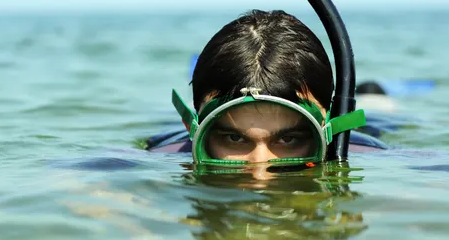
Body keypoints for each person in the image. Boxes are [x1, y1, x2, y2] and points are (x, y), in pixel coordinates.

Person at [146, 9, 387, 167]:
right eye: (234, 138)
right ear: (192, 128)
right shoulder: (160, 155)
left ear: (328, 125)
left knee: (375, 96)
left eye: (290, 139)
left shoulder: (368, 153)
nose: (260, 172)